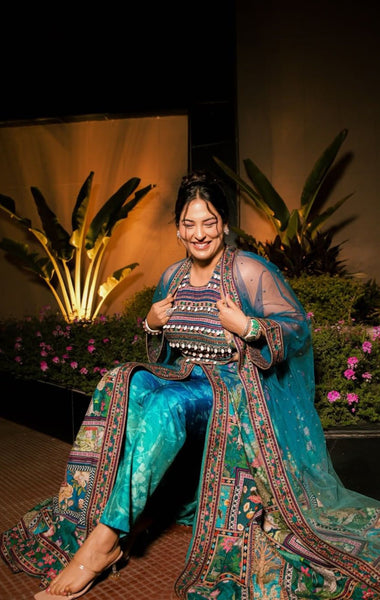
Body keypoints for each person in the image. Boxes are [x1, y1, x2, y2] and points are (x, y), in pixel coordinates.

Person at [1, 170, 380, 600]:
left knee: (166, 408)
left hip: (233, 391)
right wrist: (151, 323)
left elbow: (296, 329)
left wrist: (251, 325)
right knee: (121, 384)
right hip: (186, 380)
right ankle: (117, 509)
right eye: (189, 223)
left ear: (224, 224)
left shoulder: (249, 272)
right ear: (178, 227)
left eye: (209, 222)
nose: (199, 234)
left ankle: (105, 541)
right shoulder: (172, 277)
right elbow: (164, 354)